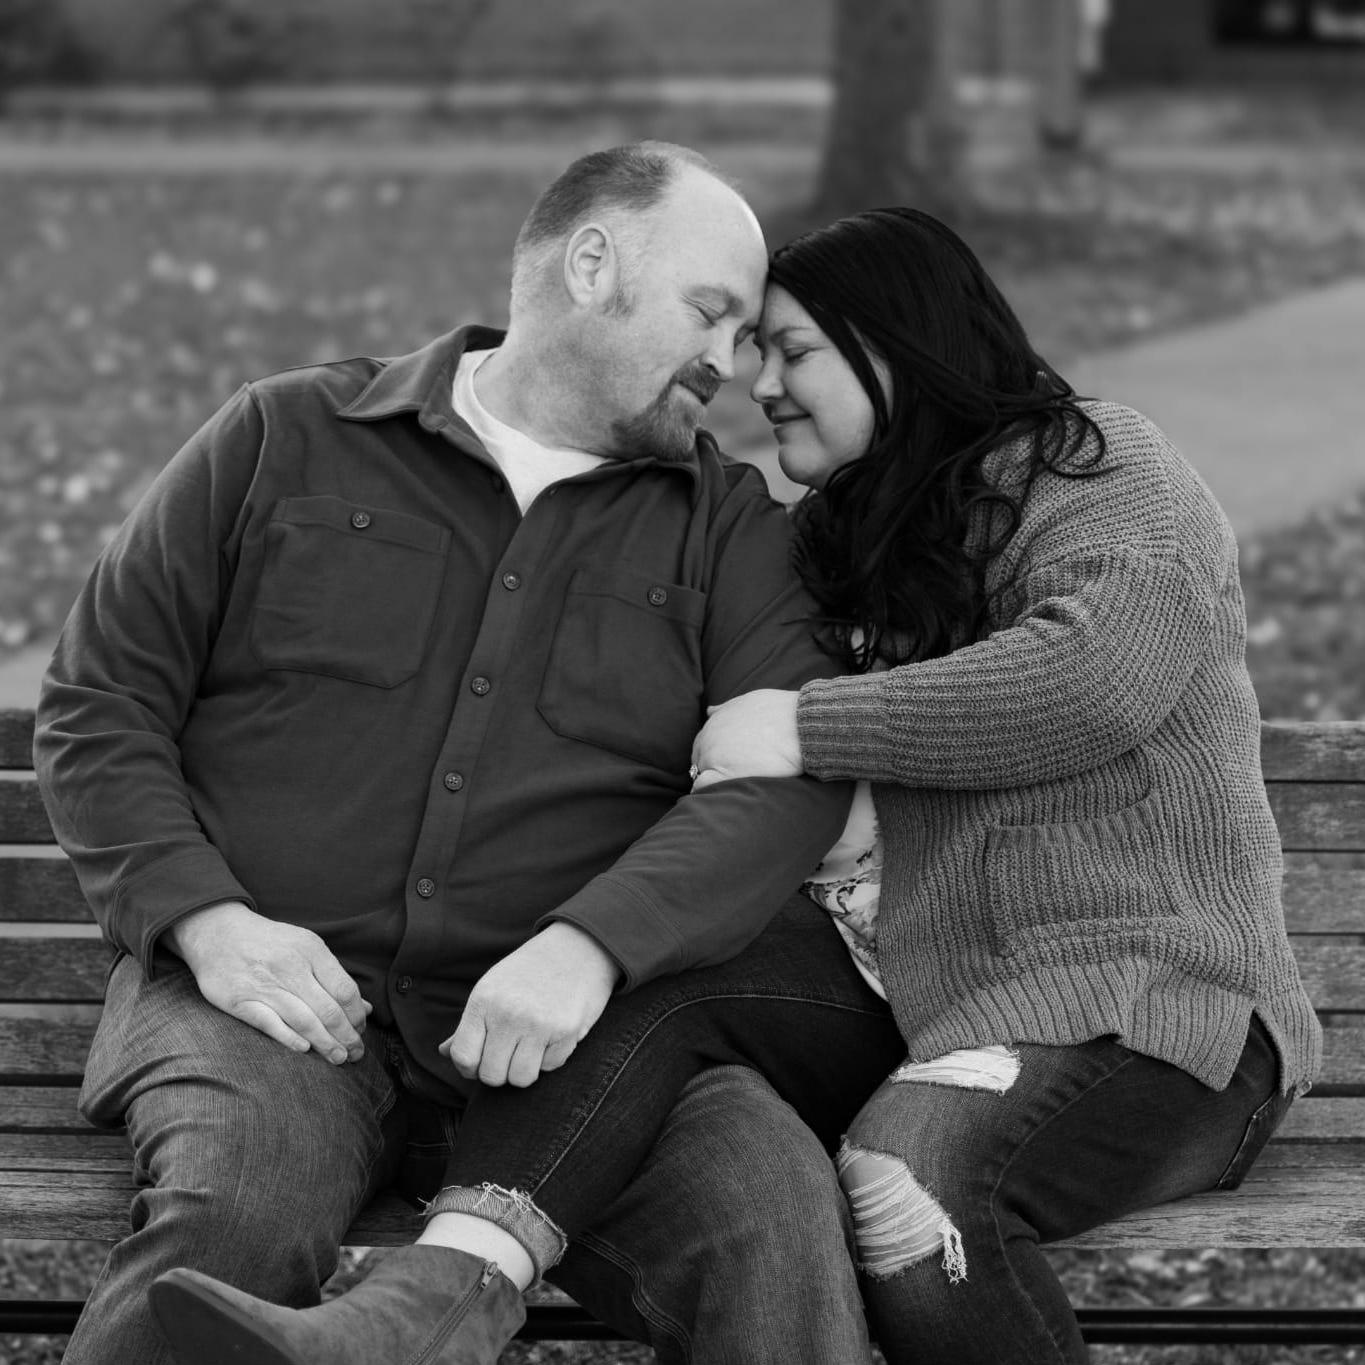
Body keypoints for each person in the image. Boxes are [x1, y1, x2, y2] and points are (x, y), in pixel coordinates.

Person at [145, 205, 1324, 1365]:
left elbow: (1098, 677)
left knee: (909, 1183)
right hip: (934, 999)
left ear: (899, 346)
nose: (757, 381)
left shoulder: (1090, 463)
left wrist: (810, 726)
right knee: (629, 968)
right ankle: (429, 1313)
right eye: (751, 345)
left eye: (790, 348)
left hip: (1152, 1009)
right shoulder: (849, 538)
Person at [34, 142, 886, 1365]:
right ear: (591, 265)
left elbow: (778, 787)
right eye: (711, 312)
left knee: (773, 1221)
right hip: (273, 1012)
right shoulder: (287, 436)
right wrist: (211, 926)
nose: (732, 363)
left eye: (749, 334)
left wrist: (592, 949)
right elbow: (102, 699)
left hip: (588, 1047)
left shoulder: (728, 530)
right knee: (235, 1213)